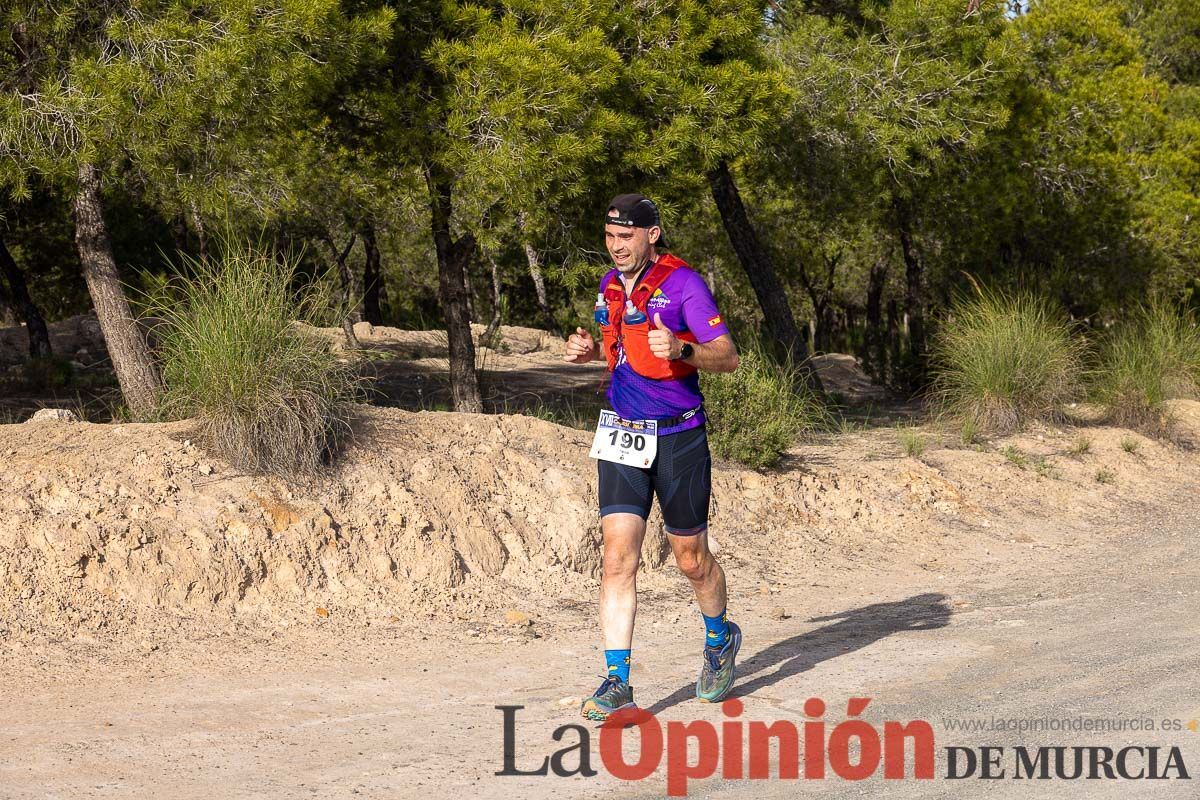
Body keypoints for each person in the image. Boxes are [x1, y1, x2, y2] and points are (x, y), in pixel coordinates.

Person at [564, 193, 741, 721]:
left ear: (652, 235)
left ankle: (719, 637)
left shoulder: (684, 284)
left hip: (679, 435)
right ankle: (618, 681)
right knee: (618, 557)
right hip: (622, 432)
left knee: (690, 558)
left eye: (626, 237)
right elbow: (621, 351)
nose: (616, 247)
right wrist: (590, 352)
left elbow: (728, 357)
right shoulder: (609, 286)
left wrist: (684, 350)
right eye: (610, 237)